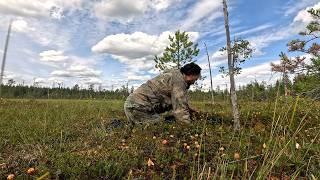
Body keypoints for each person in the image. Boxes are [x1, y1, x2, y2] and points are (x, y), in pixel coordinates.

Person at [124, 62, 201, 127]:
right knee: (165, 125)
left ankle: (133, 123)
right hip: (138, 108)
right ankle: (123, 125)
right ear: (191, 75)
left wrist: (189, 109)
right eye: (195, 79)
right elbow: (180, 109)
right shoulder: (179, 82)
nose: (194, 82)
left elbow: (178, 102)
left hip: (134, 106)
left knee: (168, 118)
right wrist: (188, 127)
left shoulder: (175, 74)